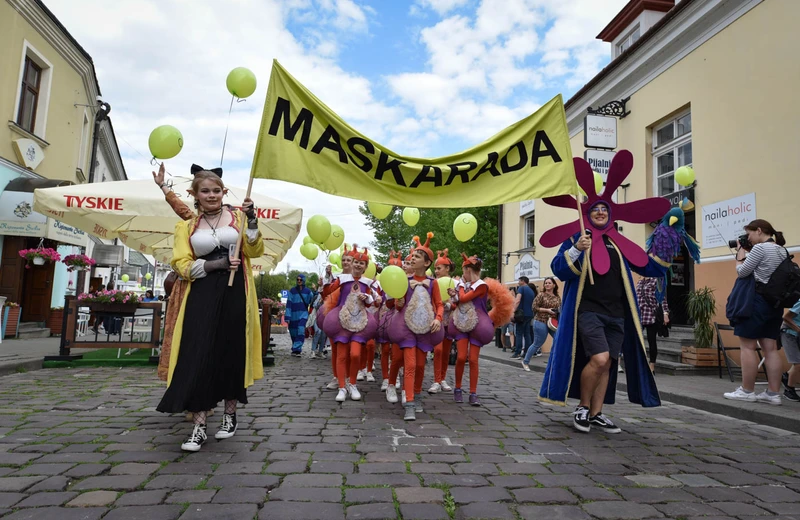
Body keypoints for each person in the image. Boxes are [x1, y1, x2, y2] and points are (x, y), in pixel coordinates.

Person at [156, 169, 264, 452]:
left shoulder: (239, 219)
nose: (212, 196)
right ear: (195, 195)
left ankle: (230, 414)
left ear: (223, 192)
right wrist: (213, 265)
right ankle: (199, 426)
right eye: (205, 191)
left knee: (230, 349)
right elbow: (180, 263)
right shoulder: (187, 227)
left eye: (216, 191)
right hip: (202, 290)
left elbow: (254, 251)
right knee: (198, 351)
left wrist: (252, 221)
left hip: (234, 291)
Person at [539, 201, 668, 434]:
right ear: (587, 214)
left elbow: (647, 266)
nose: (600, 212)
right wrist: (577, 248)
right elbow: (558, 269)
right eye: (596, 209)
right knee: (599, 359)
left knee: (608, 363)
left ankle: (597, 413)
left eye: (605, 209)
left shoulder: (618, 242)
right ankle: (583, 407)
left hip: (617, 313)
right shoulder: (576, 239)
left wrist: (668, 244)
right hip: (589, 311)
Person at [724, 219, 788, 405]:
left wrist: (740, 252)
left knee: (748, 346)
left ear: (759, 230)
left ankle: (747, 390)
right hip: (774, 304)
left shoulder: (760, 249)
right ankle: (773, 394)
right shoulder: (781, 250)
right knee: (771, 349)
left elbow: (742, 272)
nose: (749, 238)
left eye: (750, 234)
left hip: (756, 302)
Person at [387, 234, 443, 420]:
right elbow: (398, 306)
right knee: (410, 364)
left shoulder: (433, 284)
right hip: (407, 329)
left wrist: (438, 318)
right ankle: (409, 403)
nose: (413, 258)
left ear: (427, 263)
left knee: (420, 365)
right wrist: (399, 301)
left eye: (418, 256)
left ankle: (417, 395)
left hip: (425, 329)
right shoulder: (404, 281)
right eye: (413, 256)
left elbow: (439, 304)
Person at [449, 254, 514, 405]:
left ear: (468, 269)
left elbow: (463, 298)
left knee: (473, 359)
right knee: (460, 357)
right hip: (461, 323)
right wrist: (453, 298)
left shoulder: (481, 286)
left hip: (477, 325)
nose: (462, 273)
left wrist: (458, 290)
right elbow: (456, 303)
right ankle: (457, 388)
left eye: (464, 269)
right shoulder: (462, 284)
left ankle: (473, 392)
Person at [322, 245, 379, 402]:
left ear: (366, 267)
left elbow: (372, 301)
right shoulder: (342, 279)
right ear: (352, 263)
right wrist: (327, 278)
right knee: (341, 355)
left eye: (362, 263)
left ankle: (352, 383)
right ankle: (342, 387)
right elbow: (328, 291)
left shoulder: (368, 283)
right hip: (342, 319)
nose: (358, 265)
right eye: (356, 262)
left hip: (359, 321)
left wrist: (366, 298)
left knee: (355, 354)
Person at [430, 249, 456, 394]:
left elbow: (459, 302)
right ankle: (436, 380)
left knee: (446, 352)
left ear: (447, 268)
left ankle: (442, 378)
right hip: (438, 321)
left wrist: (449, 305)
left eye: (439, 268)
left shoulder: (456, 283)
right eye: (435, 268)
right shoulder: (433, 283)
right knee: (438, 350)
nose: (437, 271)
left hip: (450, 322)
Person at [522, 277, 560, 370]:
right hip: (540, 321)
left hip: (552, 322)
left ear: (554, 285)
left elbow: (560, 308)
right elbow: (534, 307)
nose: (547, 284)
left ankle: (553, 363)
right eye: (546, 283)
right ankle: (525, 361)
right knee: (537, 343)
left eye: (549, 283)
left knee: (558, 340)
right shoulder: (541, 295)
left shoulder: (557, 297)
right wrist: (547, 310)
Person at [635, 276, 669, 372]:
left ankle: (652, 366)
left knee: (652, 341)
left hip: (651, 316)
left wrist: (665, 313)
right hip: (639, 317)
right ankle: (640, 363)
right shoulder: (640, 282)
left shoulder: (655, 281)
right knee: (637, 341)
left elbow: (662, 298)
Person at [286, 274, 314, 357]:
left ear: (303, 280)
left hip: (303, 314)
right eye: (297, 279)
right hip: (293, 314)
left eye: (300, 280)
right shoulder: (292, 291)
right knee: (293, 332)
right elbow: (289, 304)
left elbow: (312, 300)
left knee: (301, 331)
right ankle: (295, 347)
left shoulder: (308, 292)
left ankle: (297, 349)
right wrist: (288, 316)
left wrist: (316, 290)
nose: (299, 281)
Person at [781, 299, 800, 402]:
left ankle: (787, 376)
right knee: (798, 363)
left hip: (797, 334)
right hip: (789, 333)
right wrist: (798, 329)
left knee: (798, 363)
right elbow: (786, 317)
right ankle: (789, 390)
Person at [512, 276, 535, 359]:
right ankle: (527, 352)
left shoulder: (521, 288)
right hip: (529, 314)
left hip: (521, 314)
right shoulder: (531, 291)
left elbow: (517, 300)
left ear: (523, 281)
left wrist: (513, 311)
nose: (518, 282)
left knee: (518, 333)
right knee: (527, 333)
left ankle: (517, 352)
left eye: (519, 281)